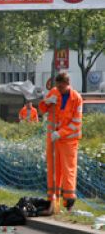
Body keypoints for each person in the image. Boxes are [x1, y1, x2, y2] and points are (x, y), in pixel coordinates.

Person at [38, 72, 82, 211]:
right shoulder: (54, 92)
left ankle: (69, 201)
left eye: (61, 87)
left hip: (69, 141)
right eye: (57, 87)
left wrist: (60, 133)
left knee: (68, 170)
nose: (59, 90)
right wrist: (46, 102)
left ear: (67, 84)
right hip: (53, 139)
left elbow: (76, 123)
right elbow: (42, 110)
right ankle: (53, 202)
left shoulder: (76, 99)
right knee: (53, 170)